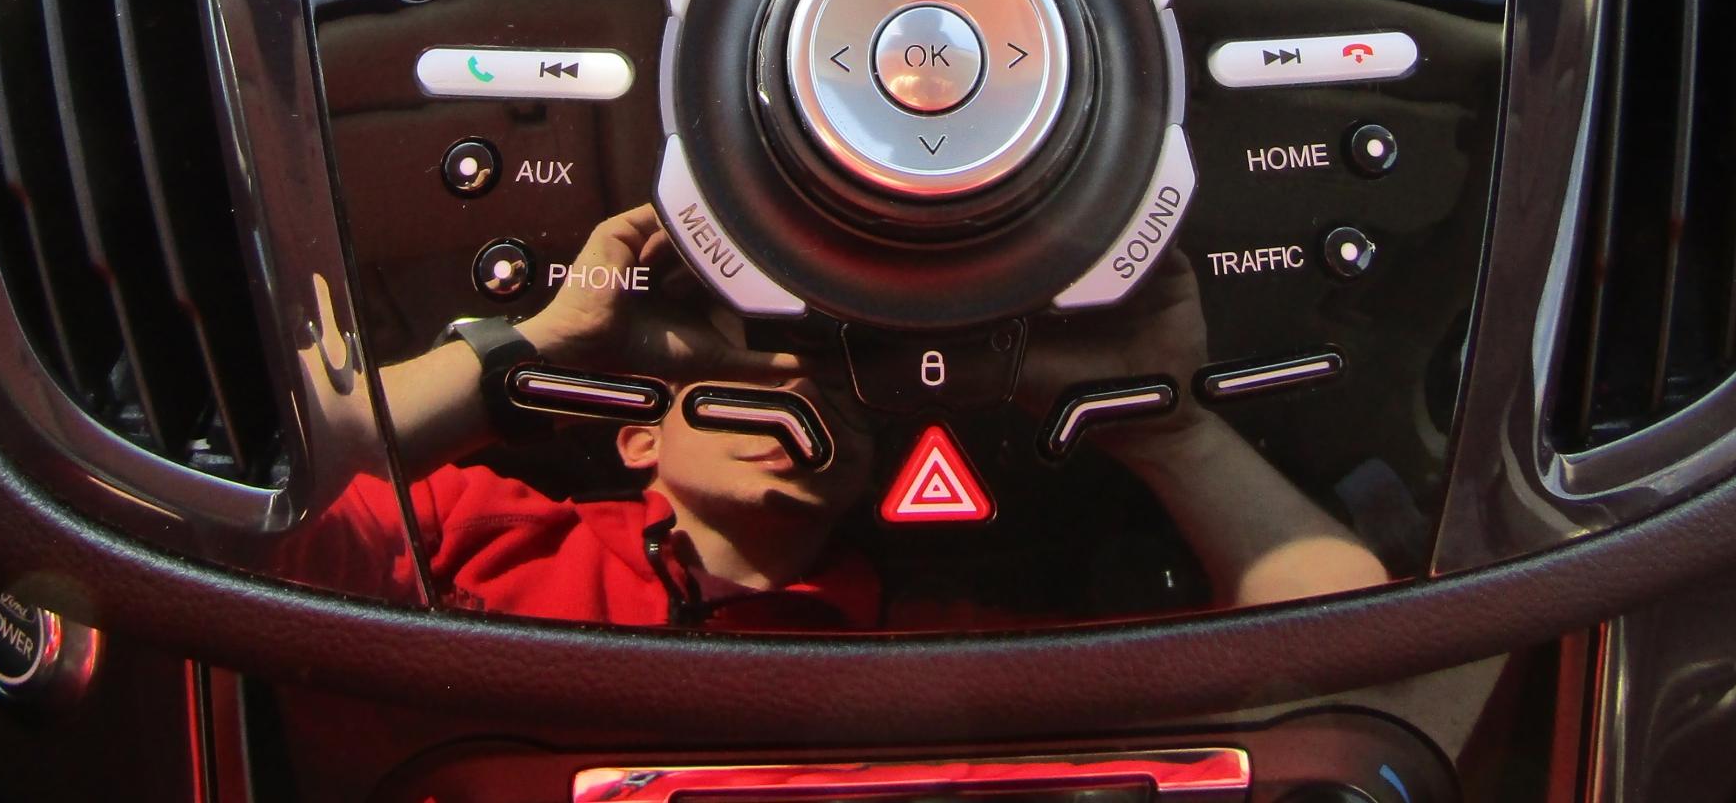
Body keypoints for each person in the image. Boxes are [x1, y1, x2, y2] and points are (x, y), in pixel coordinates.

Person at [306, 205, 1385, 627]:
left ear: (869, 474)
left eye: (838, 400)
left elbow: (1345, 644)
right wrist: (545, 345)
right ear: (636, 438)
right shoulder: (473, 531)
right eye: (750, 384)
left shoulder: (928, 638)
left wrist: (1169, 427)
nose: (800, 404)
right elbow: (266, 503)